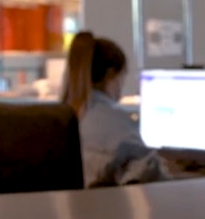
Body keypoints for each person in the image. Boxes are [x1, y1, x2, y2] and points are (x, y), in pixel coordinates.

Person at [62, 32, 169, 187]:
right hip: (105, 202)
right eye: (122, 78)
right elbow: (150, 171)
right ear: (111, 74)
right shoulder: (114, 122)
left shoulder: (64, 117)